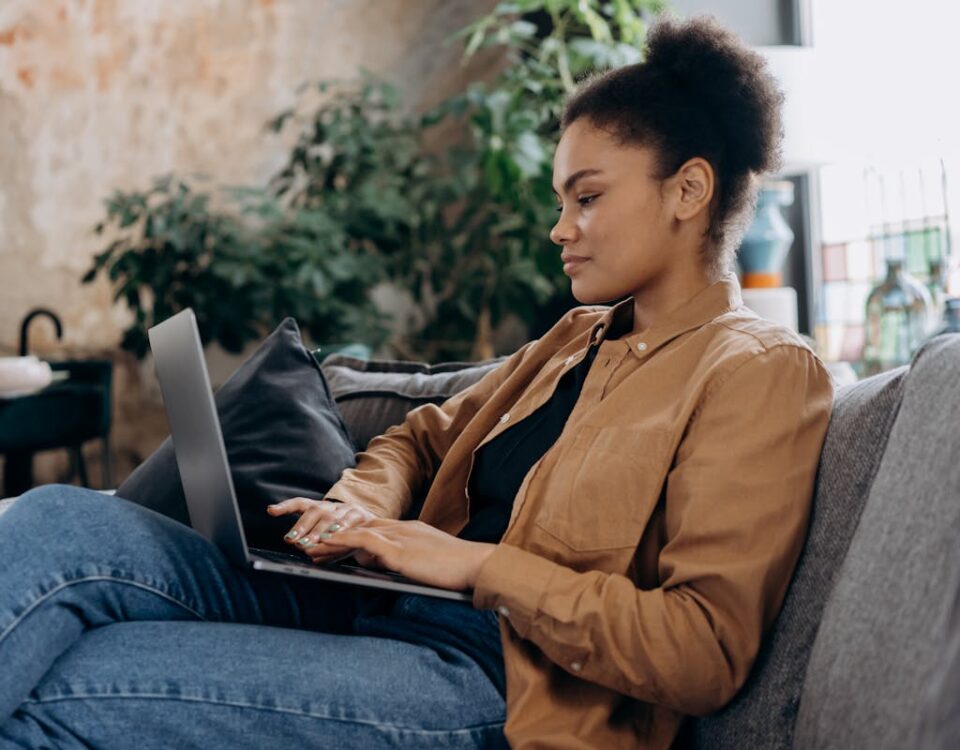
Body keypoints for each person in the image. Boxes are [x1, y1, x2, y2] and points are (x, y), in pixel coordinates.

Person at [0, 14, 833, 749]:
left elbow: (702, 652)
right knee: (56, 522)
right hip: (370, 612)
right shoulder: (573, 341)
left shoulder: (756, 372)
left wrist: (471, 566)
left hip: (489, 685)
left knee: (66, 689)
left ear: (688, 189)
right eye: (560, 200)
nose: (560, 228)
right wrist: (363, 503)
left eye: (586, 198)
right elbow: (419, 434)